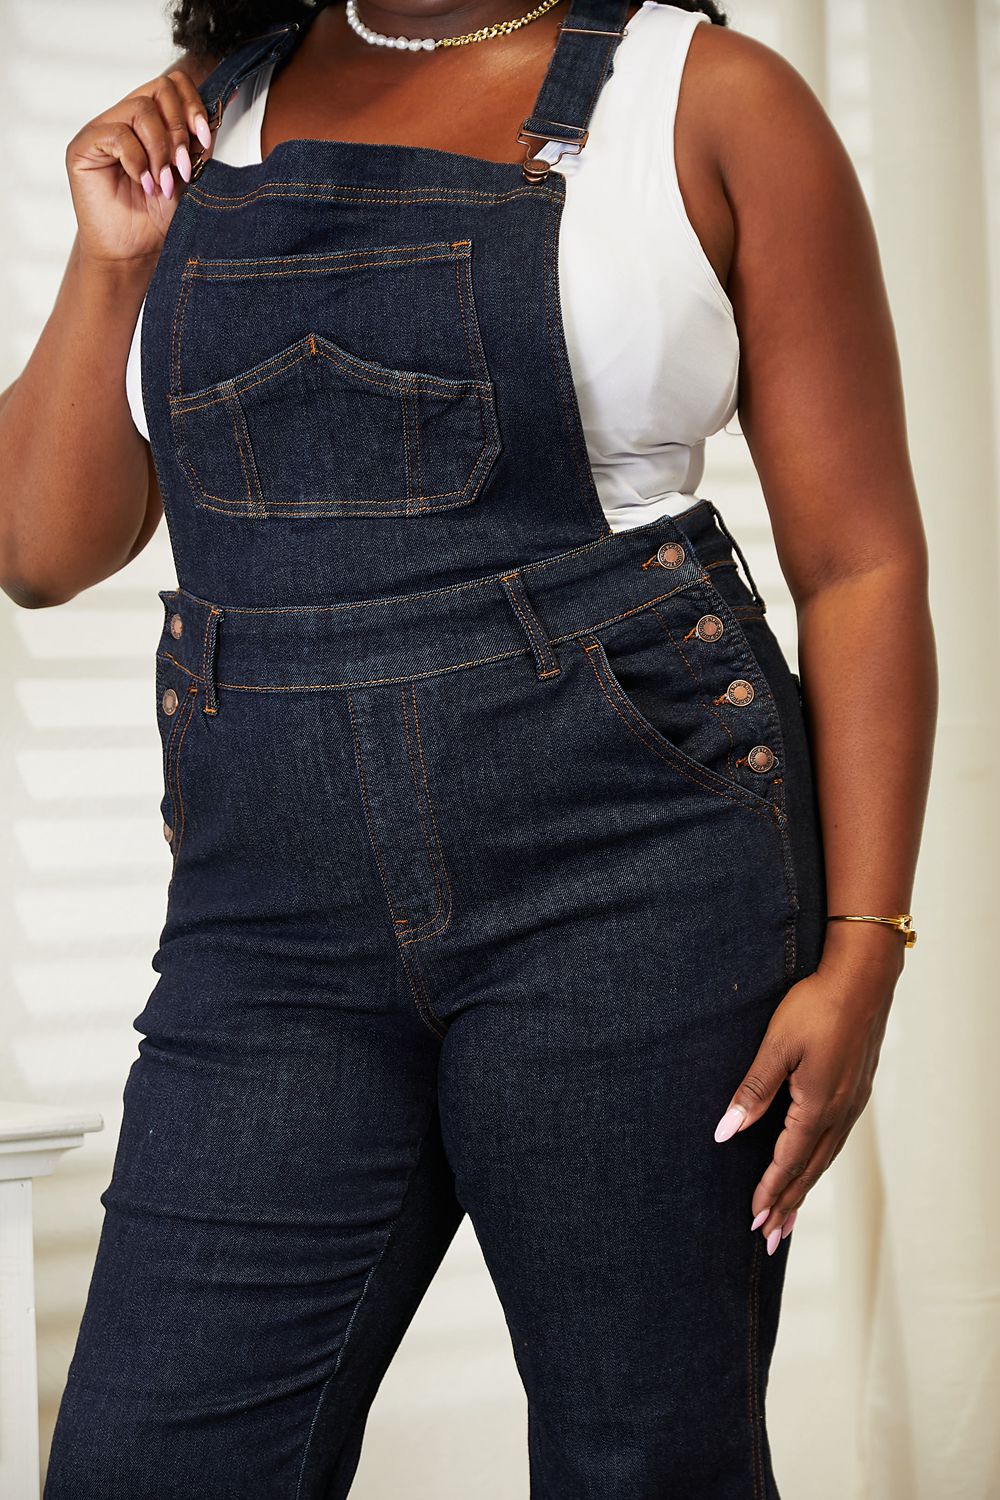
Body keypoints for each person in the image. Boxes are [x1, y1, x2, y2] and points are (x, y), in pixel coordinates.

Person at [0, 0, 935, 1495]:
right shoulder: (199, 124)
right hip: (272, 925)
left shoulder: (711, 100)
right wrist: (112, 263)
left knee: (645, 1460)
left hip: (630, 879)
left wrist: (864, 945)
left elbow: (862, 563)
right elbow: (41, 549)